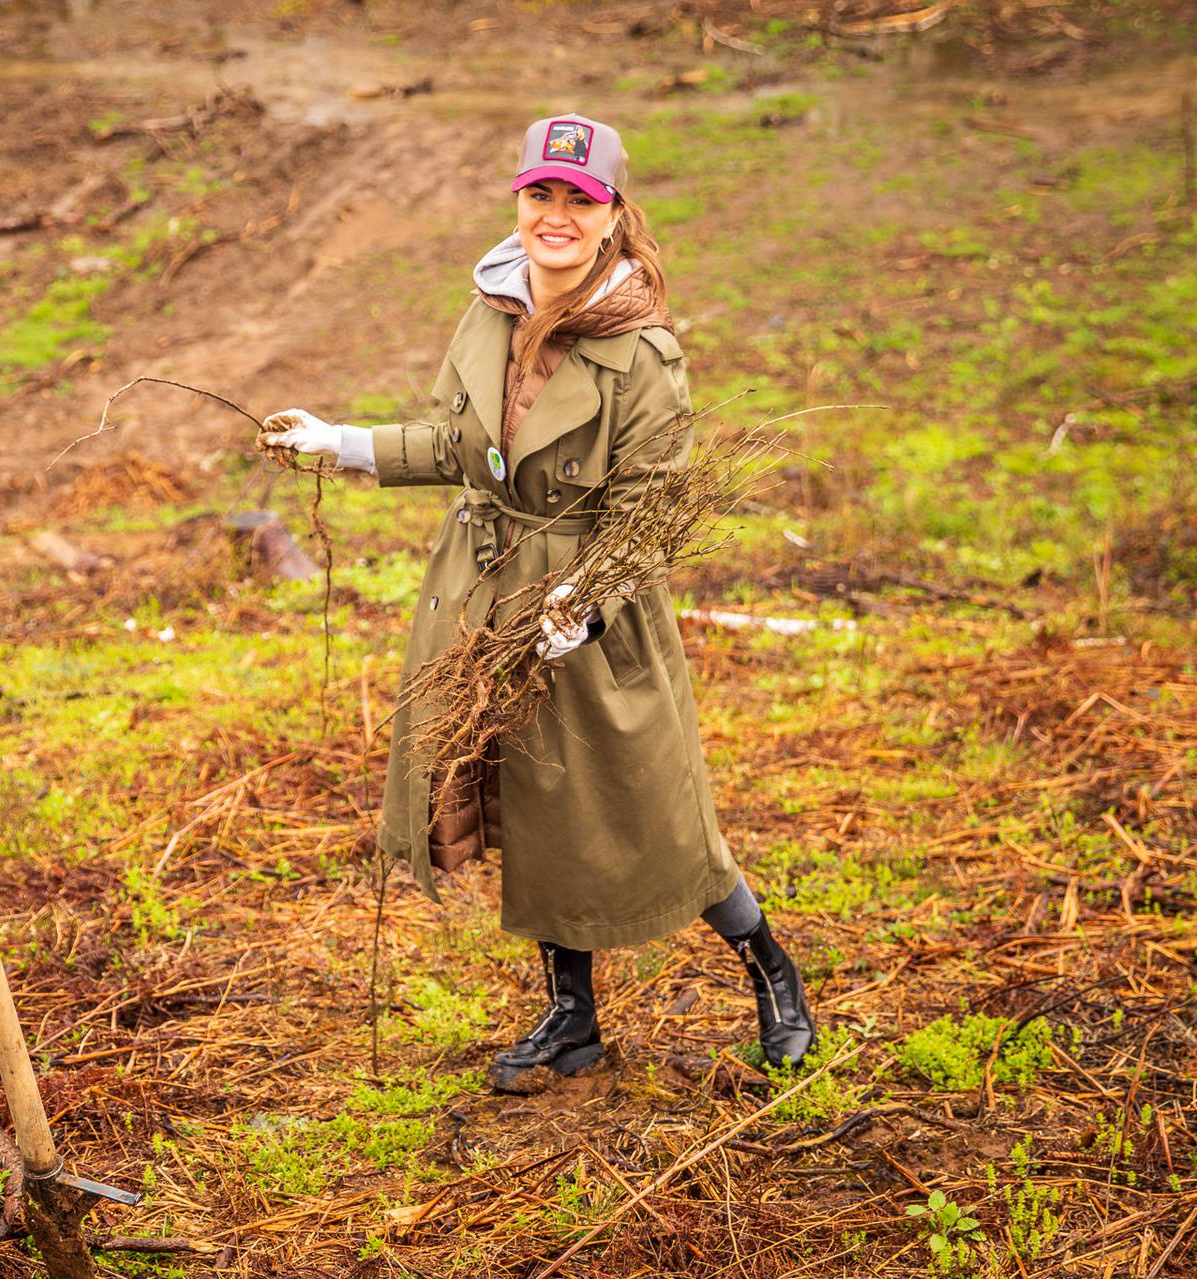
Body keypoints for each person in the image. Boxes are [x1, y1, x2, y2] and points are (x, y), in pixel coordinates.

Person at [262, 114, 814, 1092]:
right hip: (487, 597)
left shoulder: (644, 352)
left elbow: (649, 512)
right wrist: (338, 440)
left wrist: (584, 602)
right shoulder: (490, 308)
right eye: (539, 196)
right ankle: (573, 1017)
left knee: (661, 817)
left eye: (579, 200)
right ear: (519, 201)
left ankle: (773, 972)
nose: (555, 216)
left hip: (593, 616)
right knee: (534, 806)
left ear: (611, 215)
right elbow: (455, 447)